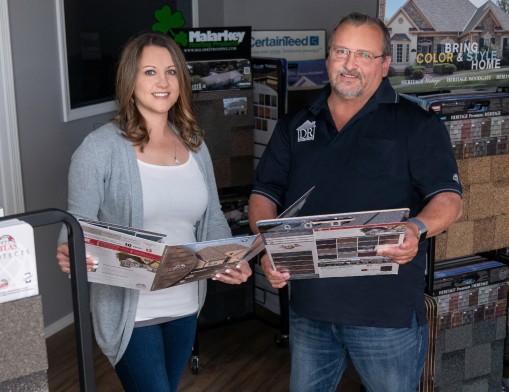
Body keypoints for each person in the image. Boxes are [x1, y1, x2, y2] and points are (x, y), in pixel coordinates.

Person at [248, 12, 462, 392]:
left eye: (364, 55)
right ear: (328, 58)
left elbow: (448, 199)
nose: (349, 64)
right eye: (342, 51)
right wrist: (271, 248)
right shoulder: (296, 124)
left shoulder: (416, 124)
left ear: (384, 64)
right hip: (310, 310)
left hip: (384, 316)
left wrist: (415, 229)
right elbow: (264, 195)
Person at [56, 31, 252, 392]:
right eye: (149, 72)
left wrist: (230, 258)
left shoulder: (194, 143)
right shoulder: (98, 149)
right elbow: (76, 229)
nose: (163, 82)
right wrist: (74, 251)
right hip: (133, 313)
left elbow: (211, 219)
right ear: (129, 80)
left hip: (185, 305)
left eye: (171, 71)